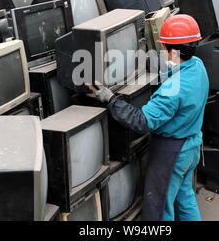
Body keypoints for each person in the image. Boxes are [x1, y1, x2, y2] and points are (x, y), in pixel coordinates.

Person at [86, 14, 209, 221]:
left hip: (172, 152)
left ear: (173, 50)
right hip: (193, 144)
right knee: (184, 195)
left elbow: (141, 121)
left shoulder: (173, 90)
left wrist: (110, 98)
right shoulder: (197, 66)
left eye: (164, 47)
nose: (162, 50)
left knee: (159, 207)